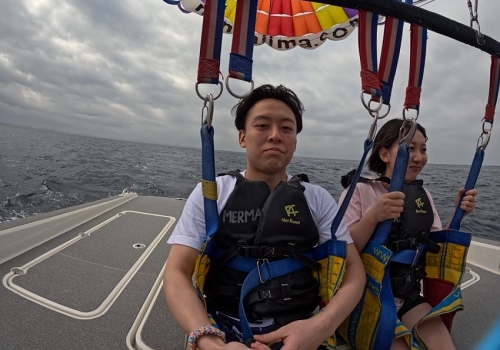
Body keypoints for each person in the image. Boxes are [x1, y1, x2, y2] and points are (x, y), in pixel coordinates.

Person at [164, 84, 366, 350]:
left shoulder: (317, 198)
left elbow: (354, 271)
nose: (275, 136)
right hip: (221, 329)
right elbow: (176, 272)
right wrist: (211, 342)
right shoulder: (212, 193)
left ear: (295, 142)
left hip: (303, 329)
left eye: (286, 128)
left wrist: (319, 328)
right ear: (242, 137)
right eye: (262, 126)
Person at [339, 118, 477, 350]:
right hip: (366, 300)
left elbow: (433, 246)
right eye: (410, 148)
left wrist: (458, 214)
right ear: (384, 154)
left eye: (423, 149)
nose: (419, 157)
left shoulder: (423, 195)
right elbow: (343, 255)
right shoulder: (360, 191)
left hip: (407, 296)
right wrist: (372, 217)